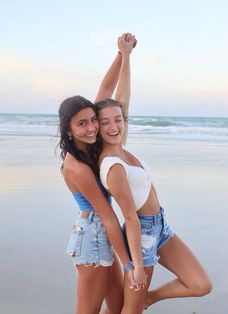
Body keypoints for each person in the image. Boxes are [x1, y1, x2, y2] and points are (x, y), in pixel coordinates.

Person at [95, 98, 213, 314]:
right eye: (105, 122)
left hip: (161, 226)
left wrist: (125, 62)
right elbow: (130, 218)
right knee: (130, 310)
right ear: (97, 126)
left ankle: (147, 298)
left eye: (118, 119)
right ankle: (139, 301)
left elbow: (123, 99)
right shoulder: (113, 166)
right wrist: (137, 266)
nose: (114, 127)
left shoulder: (122, 149)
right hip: (141, 234)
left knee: (200, 284)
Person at [58, 33, 146, 314]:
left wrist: (122, 54)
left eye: (93, 120)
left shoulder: (92, 147)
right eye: (82, 124)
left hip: (103, 235)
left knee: (120, 307)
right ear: (68, 130)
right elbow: (108, 216)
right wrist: (129, 264)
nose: (92, 127)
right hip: (92, 239)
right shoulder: (76, 165)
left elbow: (107, 88)